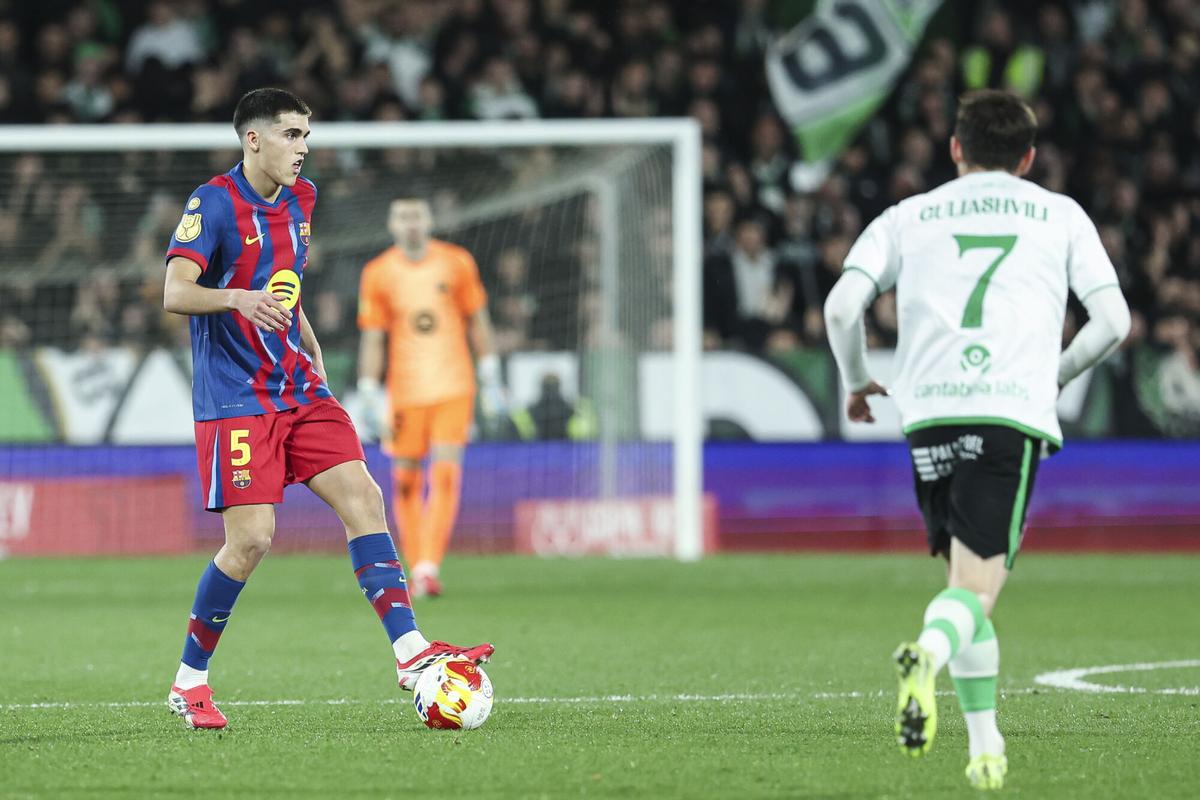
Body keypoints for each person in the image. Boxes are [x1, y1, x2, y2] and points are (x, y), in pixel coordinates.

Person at [824, 90, 1130, 790]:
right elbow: (1112, 322)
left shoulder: (909, 215)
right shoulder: (1060, 214)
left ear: (955, 149)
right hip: (1005, 412)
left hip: (928, 412)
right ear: (1027, 158)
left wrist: (858, 380)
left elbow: (842, 305)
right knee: (978, 591)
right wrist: (1054, 375)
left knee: (964, 585)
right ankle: (924, 658)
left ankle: (986, 747)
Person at [161, 88, 493, 730]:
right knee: (252, 539)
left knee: (365, 499)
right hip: (236, 398)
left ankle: (411, 654)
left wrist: (308, 343)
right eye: (291, 135)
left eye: (306, 135)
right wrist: (235, 300)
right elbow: (175, 291)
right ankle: (189, 680)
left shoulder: (303, 200)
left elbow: (286, 282)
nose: (303, 148)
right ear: (253, 139)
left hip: (299, 388)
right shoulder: (213, 203)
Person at [356, 198, 505, 598]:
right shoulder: (378, 272)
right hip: (405, 392)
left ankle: (427, 566)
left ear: (429, 220)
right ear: (391, 223)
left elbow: (478, 319)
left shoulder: (456, 262)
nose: (411, 224)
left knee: (444, 473)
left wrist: (490, 373)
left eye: (417, 215)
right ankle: (417, 560)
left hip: (454, 386)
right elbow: (373, 336)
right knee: (405, 481)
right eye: (403, 216)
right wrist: (369, 390)